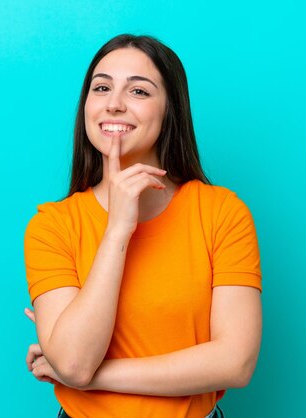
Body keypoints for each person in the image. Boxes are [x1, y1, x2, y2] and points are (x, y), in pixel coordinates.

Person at [23, 34, 262, 418]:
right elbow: (74, 362)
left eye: (138, 91)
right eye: (101, 88)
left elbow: (235, 363)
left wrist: (91, 377)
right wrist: (118, 228)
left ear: (171, 110)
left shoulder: (221, 213)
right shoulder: (52, 226)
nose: (114, 104)